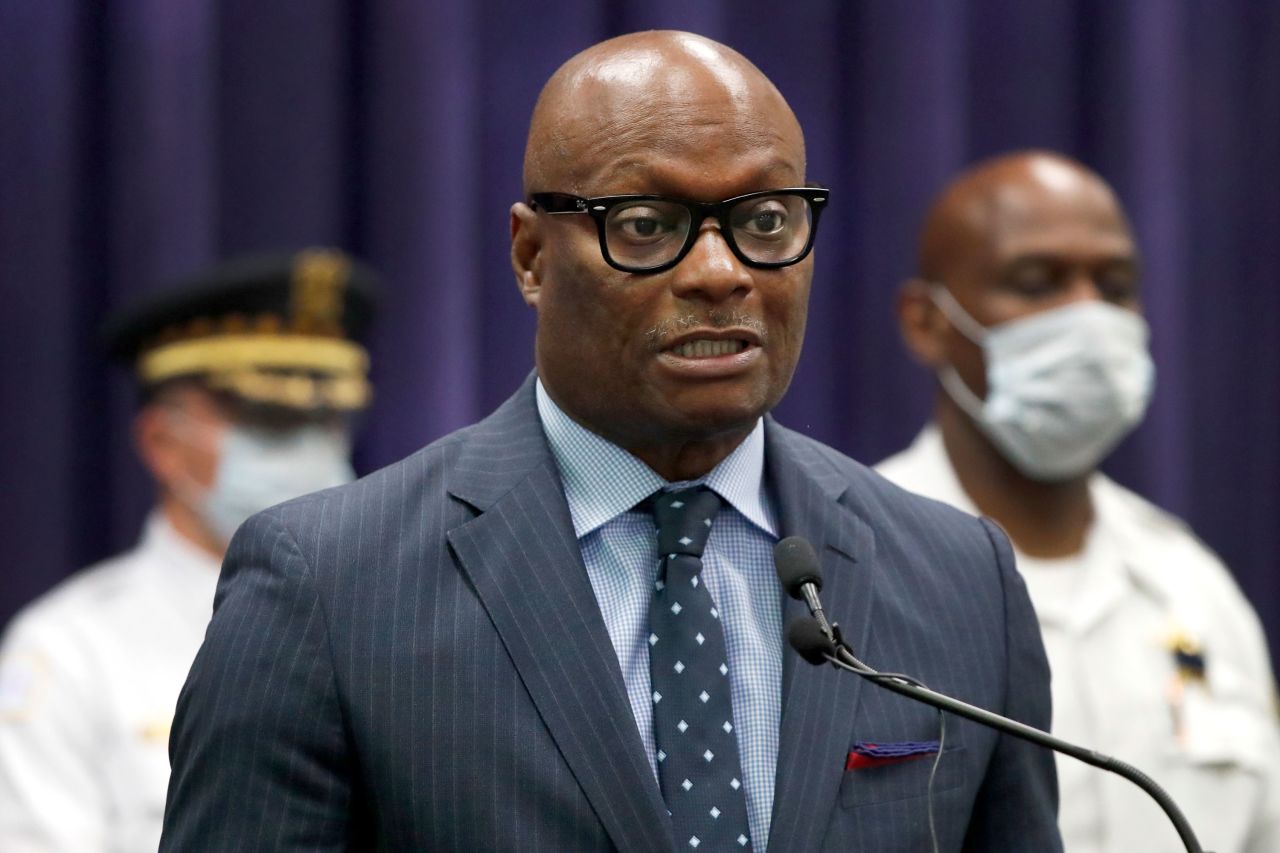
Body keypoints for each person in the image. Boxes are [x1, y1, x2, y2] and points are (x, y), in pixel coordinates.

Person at [160, 32, 1061, 852]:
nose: (721, 272)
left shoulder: (960, 577)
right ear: (530, 257)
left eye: (767, 221)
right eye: (646, 226)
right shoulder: (328, 585)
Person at [877, 150, 1280, 852]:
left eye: (1115, 285)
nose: (1087, 318)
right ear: (926, 321)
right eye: (1036, 282)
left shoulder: (1192, 584)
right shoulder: (849, 569)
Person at [0, 248, 379, 852]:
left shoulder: (403, 620)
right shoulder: (68, 652)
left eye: (325, 423)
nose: (308, 454)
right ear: (162, 443)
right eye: (270, 424)